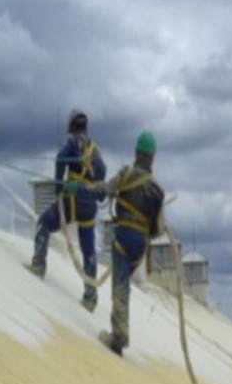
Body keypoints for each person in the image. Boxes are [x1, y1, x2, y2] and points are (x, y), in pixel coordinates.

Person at [64, 131, 165, 355]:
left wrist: (78, 188)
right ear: (152, 158)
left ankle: (119, 338)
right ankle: (120, 331)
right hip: (141, 246)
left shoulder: (126, 175)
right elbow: (157, 230)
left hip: (123, 238)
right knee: (124, 286)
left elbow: (102, 189)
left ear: (137, 153)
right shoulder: (158, 191)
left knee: (120, 288)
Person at [29, 109, 107, 311]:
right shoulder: (94, 150)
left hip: (71, 203)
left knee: (44, 223)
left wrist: (59, 188)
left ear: (71, 127)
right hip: (89, 207)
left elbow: (60, 163)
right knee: (89, 250)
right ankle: (91, 296)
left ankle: (38, 265)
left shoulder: (72, 144)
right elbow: (102, 176)